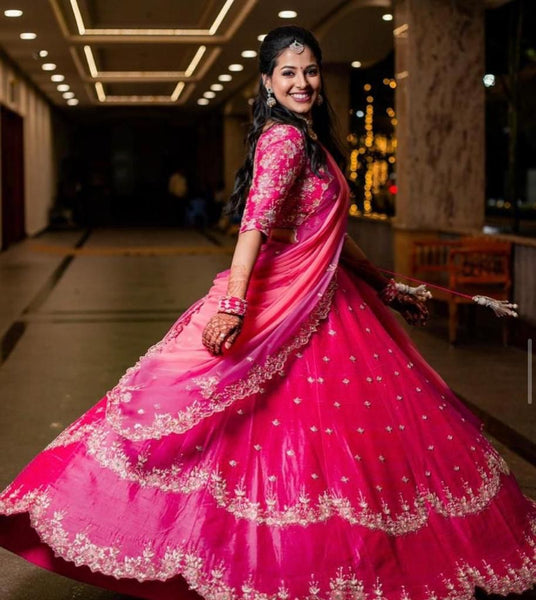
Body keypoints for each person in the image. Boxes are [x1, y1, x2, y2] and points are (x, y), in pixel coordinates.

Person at [1, 25, 535, 600]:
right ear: (267, 82)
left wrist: (383, 282)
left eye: (310, 72)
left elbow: (329, 234)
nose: (302, 82)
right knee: (259, 426)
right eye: (289, 72)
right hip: (284, 300)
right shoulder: (282, 140)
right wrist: (233, 304)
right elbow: (254, 225)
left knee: (325, 436)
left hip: (332, 300)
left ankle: (326, 554)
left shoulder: (310, 140)